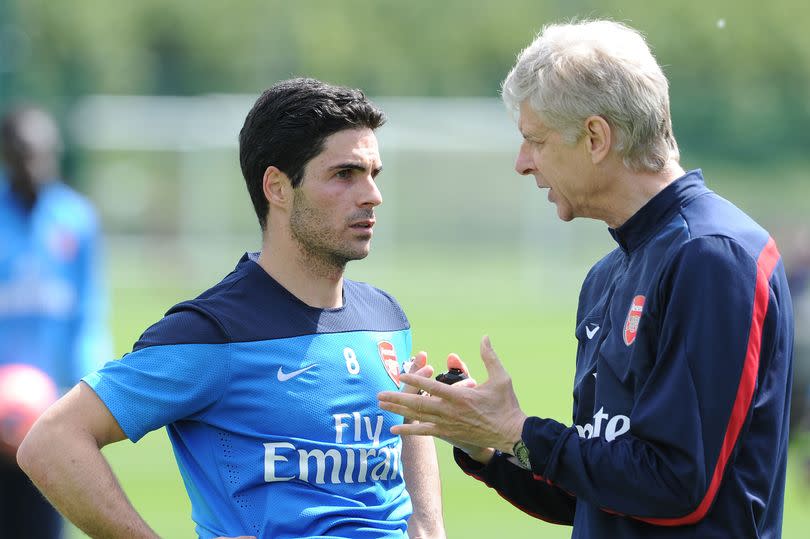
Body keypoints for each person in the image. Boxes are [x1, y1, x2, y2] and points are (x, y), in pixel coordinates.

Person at [379, 19, 794, 538]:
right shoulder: (606, 276)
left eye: (535, 141)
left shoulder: (711, 256)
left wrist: (520, 430)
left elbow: (677, 486)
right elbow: (595, 491)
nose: (521, 163)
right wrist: (489, 443)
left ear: (596, 137)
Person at [18, 79, 445, 539]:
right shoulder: (214, 332)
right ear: (277, 188)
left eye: (372, 174)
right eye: (345, 174)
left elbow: (409, 422)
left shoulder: (385, 317)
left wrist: (427, 525)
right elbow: (51, 443)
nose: (371, 195)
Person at [1, 105, 110, 539]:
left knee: (41, 526)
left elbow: (88, 314)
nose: (33, 164)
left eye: (42, 153)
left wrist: (80, 391)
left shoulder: (76, 219)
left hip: (45, 414)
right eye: (23, 153)